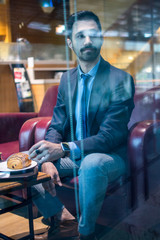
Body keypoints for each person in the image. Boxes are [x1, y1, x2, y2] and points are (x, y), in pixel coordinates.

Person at [29, 10, 135, 240]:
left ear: (101, 38)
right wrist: (47, 157)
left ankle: (85, 234)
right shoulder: (67, 79)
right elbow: (56, 125)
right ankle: (61, 217)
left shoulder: (121, 80)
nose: (87, 41)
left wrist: (64, 149)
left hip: (108, 157)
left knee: (91, 163)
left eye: (93, 34)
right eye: (80, 36)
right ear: (70, 42)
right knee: (26, 163)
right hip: (74, 157)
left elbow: (110, 136)